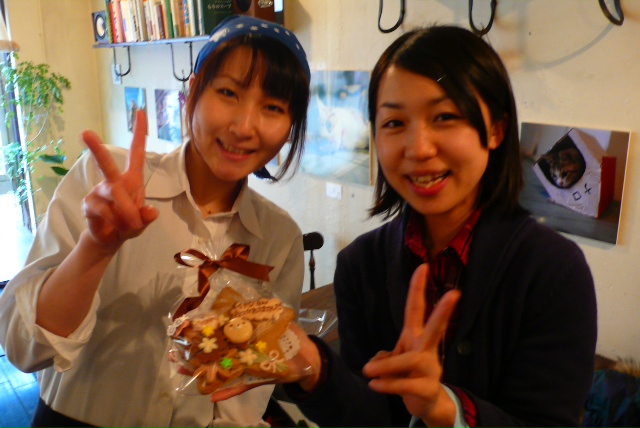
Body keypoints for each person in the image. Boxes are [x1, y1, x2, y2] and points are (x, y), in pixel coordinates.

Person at [215, 24, 597, 428]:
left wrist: (444, 408)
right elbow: (368, 417)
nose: (418, 149)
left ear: (496, 129)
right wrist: (317, 370)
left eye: (445, 117)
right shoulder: (360, 264)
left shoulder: (553, 270)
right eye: (395, 123)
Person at [0, 15, 310, 428]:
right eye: (228, 92)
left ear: (290, 127)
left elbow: (246, 387)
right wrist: (96, 248)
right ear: (193, 91)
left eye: (273, 107)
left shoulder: (279, 237)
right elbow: (24, 348)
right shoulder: (102, 182)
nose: (244, 127)